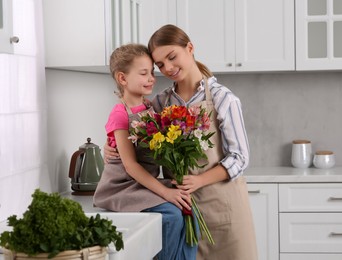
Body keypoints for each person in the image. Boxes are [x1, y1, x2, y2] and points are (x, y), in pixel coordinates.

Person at [105, 25, 258, 260]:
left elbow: (240, 158)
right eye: (160, 65)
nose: (168, 68)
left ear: (190, 48)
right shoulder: (159, 103)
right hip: (182, 209)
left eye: (172, 57)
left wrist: (198, 180)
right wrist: (110, 148)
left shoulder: (223, 98)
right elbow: (132, 134)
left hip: (223, 210)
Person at [93, 43, 197, 260]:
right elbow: (130, 165)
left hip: (142, 184)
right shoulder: (120, 114)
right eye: (144, 73)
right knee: (171, 217)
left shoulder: (150, 106)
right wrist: (166, 192)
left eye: (152, 72)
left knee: (189, 207)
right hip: (122, 187)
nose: (151, 78)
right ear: (123, 78)